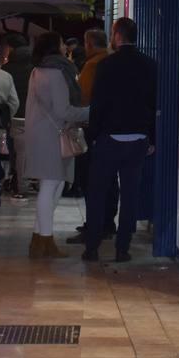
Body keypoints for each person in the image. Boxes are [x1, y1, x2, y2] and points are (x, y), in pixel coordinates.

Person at [83, 17, 157, 263]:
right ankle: (122, 248)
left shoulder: (106, 66)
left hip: (109, 138)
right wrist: (151, 137)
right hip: (138, 138)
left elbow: (98, 104)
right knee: (130, 194)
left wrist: (93, 135)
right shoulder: (149, 65)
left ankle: (92, 246)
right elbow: (153, 104)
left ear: (117, 35)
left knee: (98, 192)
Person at [23, 32, 88, 258]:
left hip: (40, 134)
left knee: (52, 186)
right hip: (52, 135)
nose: (65, 46)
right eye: (62, 42)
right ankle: (45, 240)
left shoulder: (37, 70)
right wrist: (91, 111)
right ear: (55, 46)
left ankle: (38, 239)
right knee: (51, 186)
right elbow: (63, 110)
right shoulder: (57, 72)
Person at [67, 29, 111, 230]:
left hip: (91, 127)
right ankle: (108, 222)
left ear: (90, 44)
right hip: (110, 128)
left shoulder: (92, 65)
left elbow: (82, 97)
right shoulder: (110, 60)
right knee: (110, 181)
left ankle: (94, 225)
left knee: (90, 179)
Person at [1, 33, 33, 199]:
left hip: (14, 117)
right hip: (34, 115)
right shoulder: (35, 67)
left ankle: (19, 183)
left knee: (16, 153)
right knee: (32, 151)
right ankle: (32, 181)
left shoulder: (6, 70)